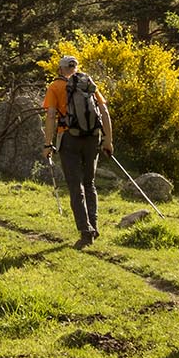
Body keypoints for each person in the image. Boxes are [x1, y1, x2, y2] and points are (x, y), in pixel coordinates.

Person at [42, 55, 113, 247]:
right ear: (76, 67)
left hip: (69, 138)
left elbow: (50, 116)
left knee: (75, 186)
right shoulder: (88, 82)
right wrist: (108, 140)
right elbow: (104, 111)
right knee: (89, 183)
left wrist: (48, 144)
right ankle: (94, 226)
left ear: (60, 69)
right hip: (92, 138)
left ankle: (85, 231)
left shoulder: (55, 86)